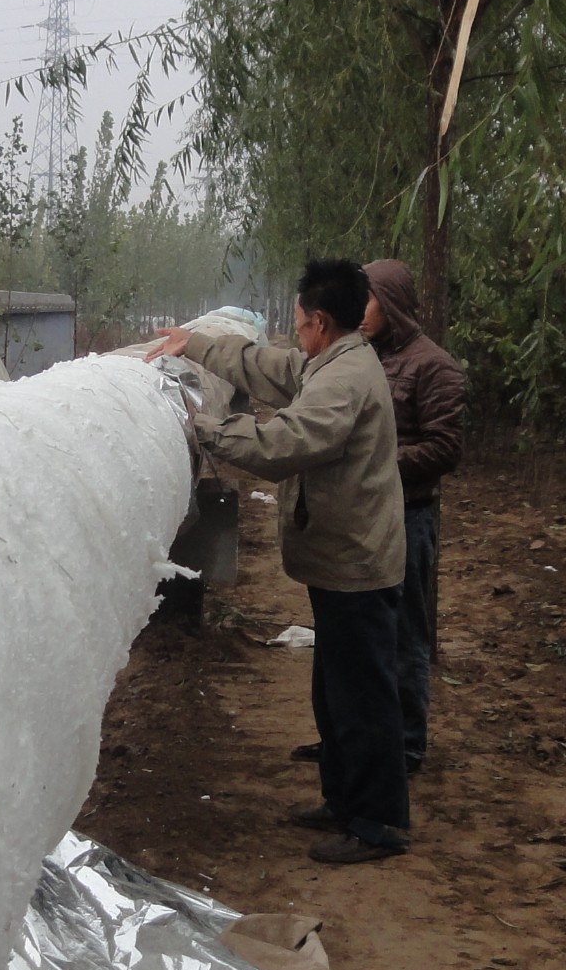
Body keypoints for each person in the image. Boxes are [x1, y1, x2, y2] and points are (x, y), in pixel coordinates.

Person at [147, 259, 410, 864]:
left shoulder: (344, 381)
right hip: (341, 557)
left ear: (320, 322)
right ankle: (343, 799)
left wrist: (208, 431)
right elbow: (272, 367)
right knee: (336, 688)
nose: (294, 332)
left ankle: (377, 823)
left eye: (298, 321)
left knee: (363, 695)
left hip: (358, 562)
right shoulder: (333, 360)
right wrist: (197, 345)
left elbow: (286, 441)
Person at [362, 258, 465, 771]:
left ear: (391, 303)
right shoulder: (365, 358)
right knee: (365, 634)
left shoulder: (433, 366)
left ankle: (406, 744)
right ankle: (363, 736)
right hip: (367, 517)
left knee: (405, 636)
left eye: (366, 299)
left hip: (408, 516)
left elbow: (445, 448)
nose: (358, 311)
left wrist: (376, 462)